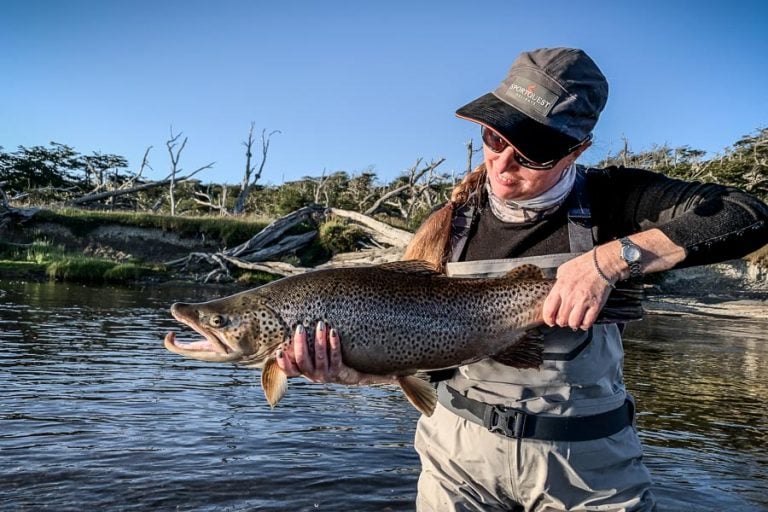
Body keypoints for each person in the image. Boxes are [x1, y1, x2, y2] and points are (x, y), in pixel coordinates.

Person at [275, 47, 768, 511]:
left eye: (531, 153)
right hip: (457, 456)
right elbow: (427, 353)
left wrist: (610, 261)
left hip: (587, 467)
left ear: (577, 150)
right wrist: (361, 369)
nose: (503, 166)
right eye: (495, 139)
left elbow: (748, 214)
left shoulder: (617, 199)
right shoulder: (448, 222)